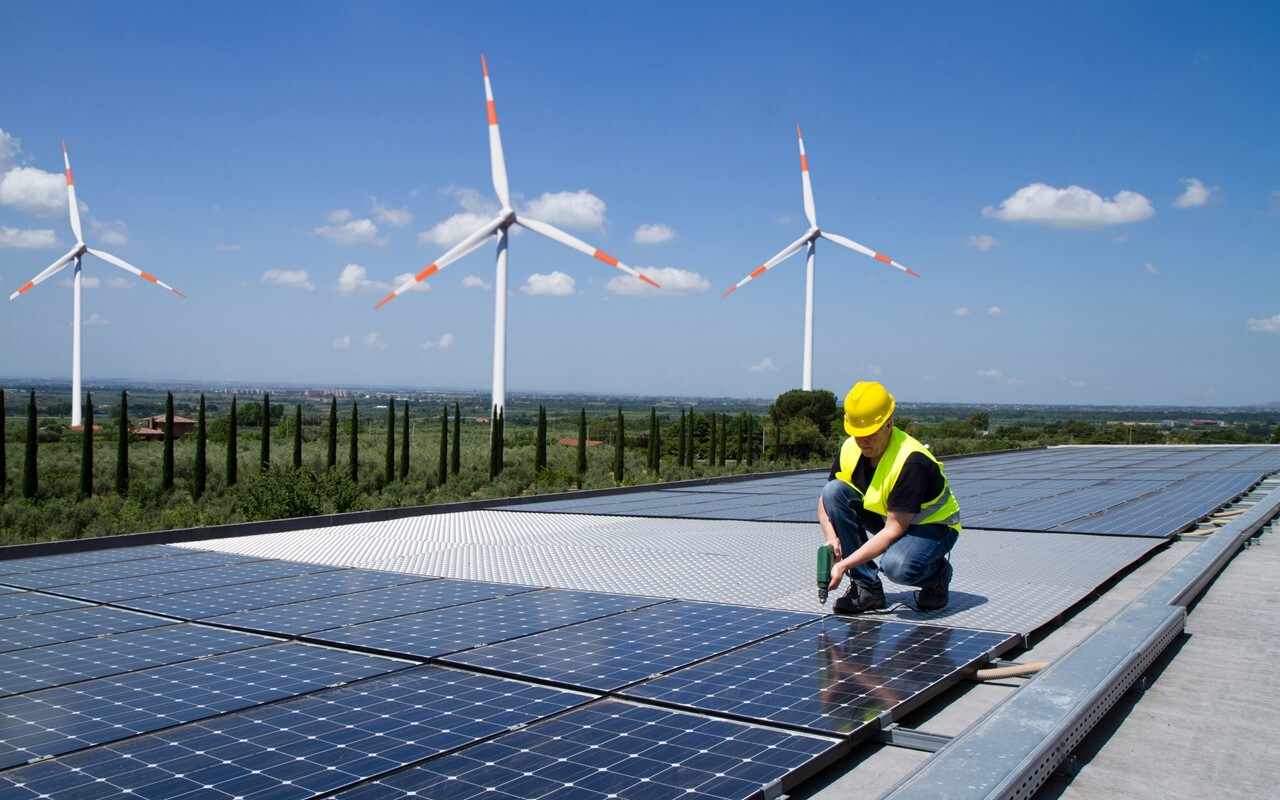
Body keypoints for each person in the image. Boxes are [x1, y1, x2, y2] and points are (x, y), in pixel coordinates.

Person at [819, 381, 960, 613]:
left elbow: (894, 529)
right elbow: (825, 503)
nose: (863, 441)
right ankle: (867, 589)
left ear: (889, 424)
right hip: (890, 516)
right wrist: (831, 537)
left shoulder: (911, 460)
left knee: (896, 566)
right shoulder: (850, 448)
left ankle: (937, 576)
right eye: (857, 435)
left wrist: (843, 564)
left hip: (932, 528)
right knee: (833, 491)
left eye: (870, 435)